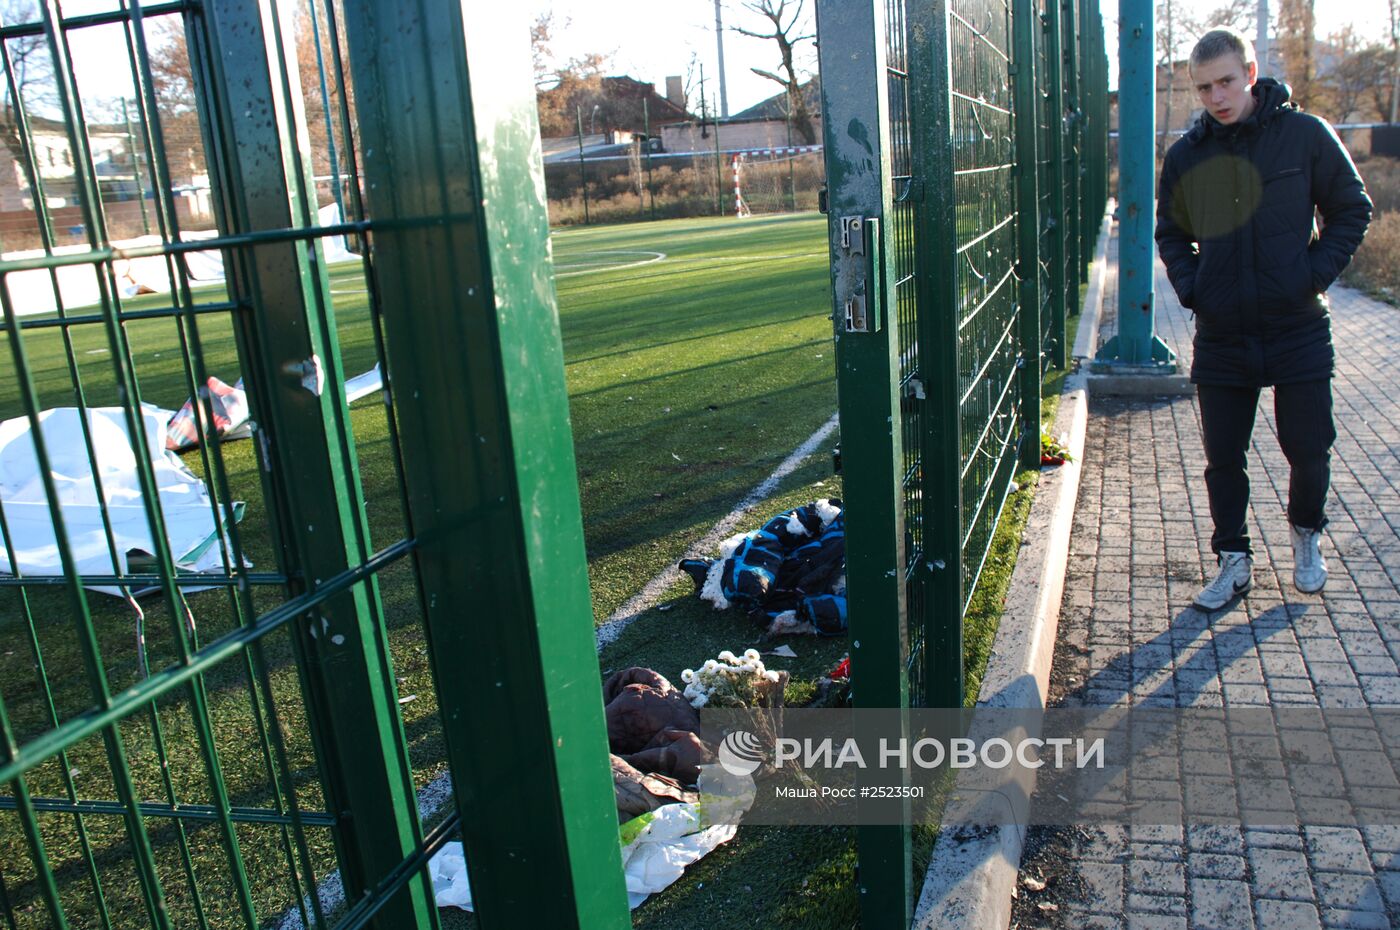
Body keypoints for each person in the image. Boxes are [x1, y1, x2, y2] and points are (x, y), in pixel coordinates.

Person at [1155, 27, 1371, 612]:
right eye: (1203, 88)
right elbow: (1171, 234)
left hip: (1297, 325)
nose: (1216, 97)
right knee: (1223, 458)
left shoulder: (1304, 136)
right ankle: (1233, 560)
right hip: (1223, 333)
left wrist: (1312, 274)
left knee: (1309, 449)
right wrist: (1195, 287)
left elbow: (1352, 208)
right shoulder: (1186, 156)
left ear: (1250, 75)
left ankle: (1306, 535)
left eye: (1226, 81)